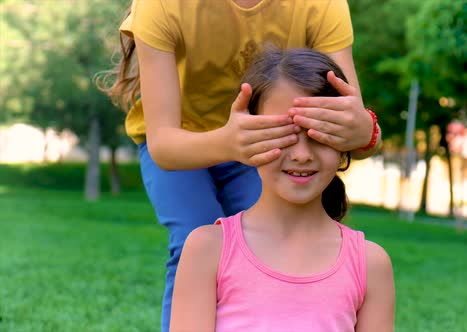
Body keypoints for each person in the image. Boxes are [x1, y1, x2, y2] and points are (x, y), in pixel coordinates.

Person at [98, 1, 382, 330]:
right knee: (193, 237)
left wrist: (365, 131)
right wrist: (232, 141)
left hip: (268, 138)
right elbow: (163, 145)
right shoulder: (161, 5)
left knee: (274, 243)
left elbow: (347, 123)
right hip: (182, 140)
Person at [170, 48, 395, 332]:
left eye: (319, 134)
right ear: (246, 138)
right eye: (283, 133)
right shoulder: (207, 249)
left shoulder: (371, 265)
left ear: (344, 145)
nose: (301, 154)